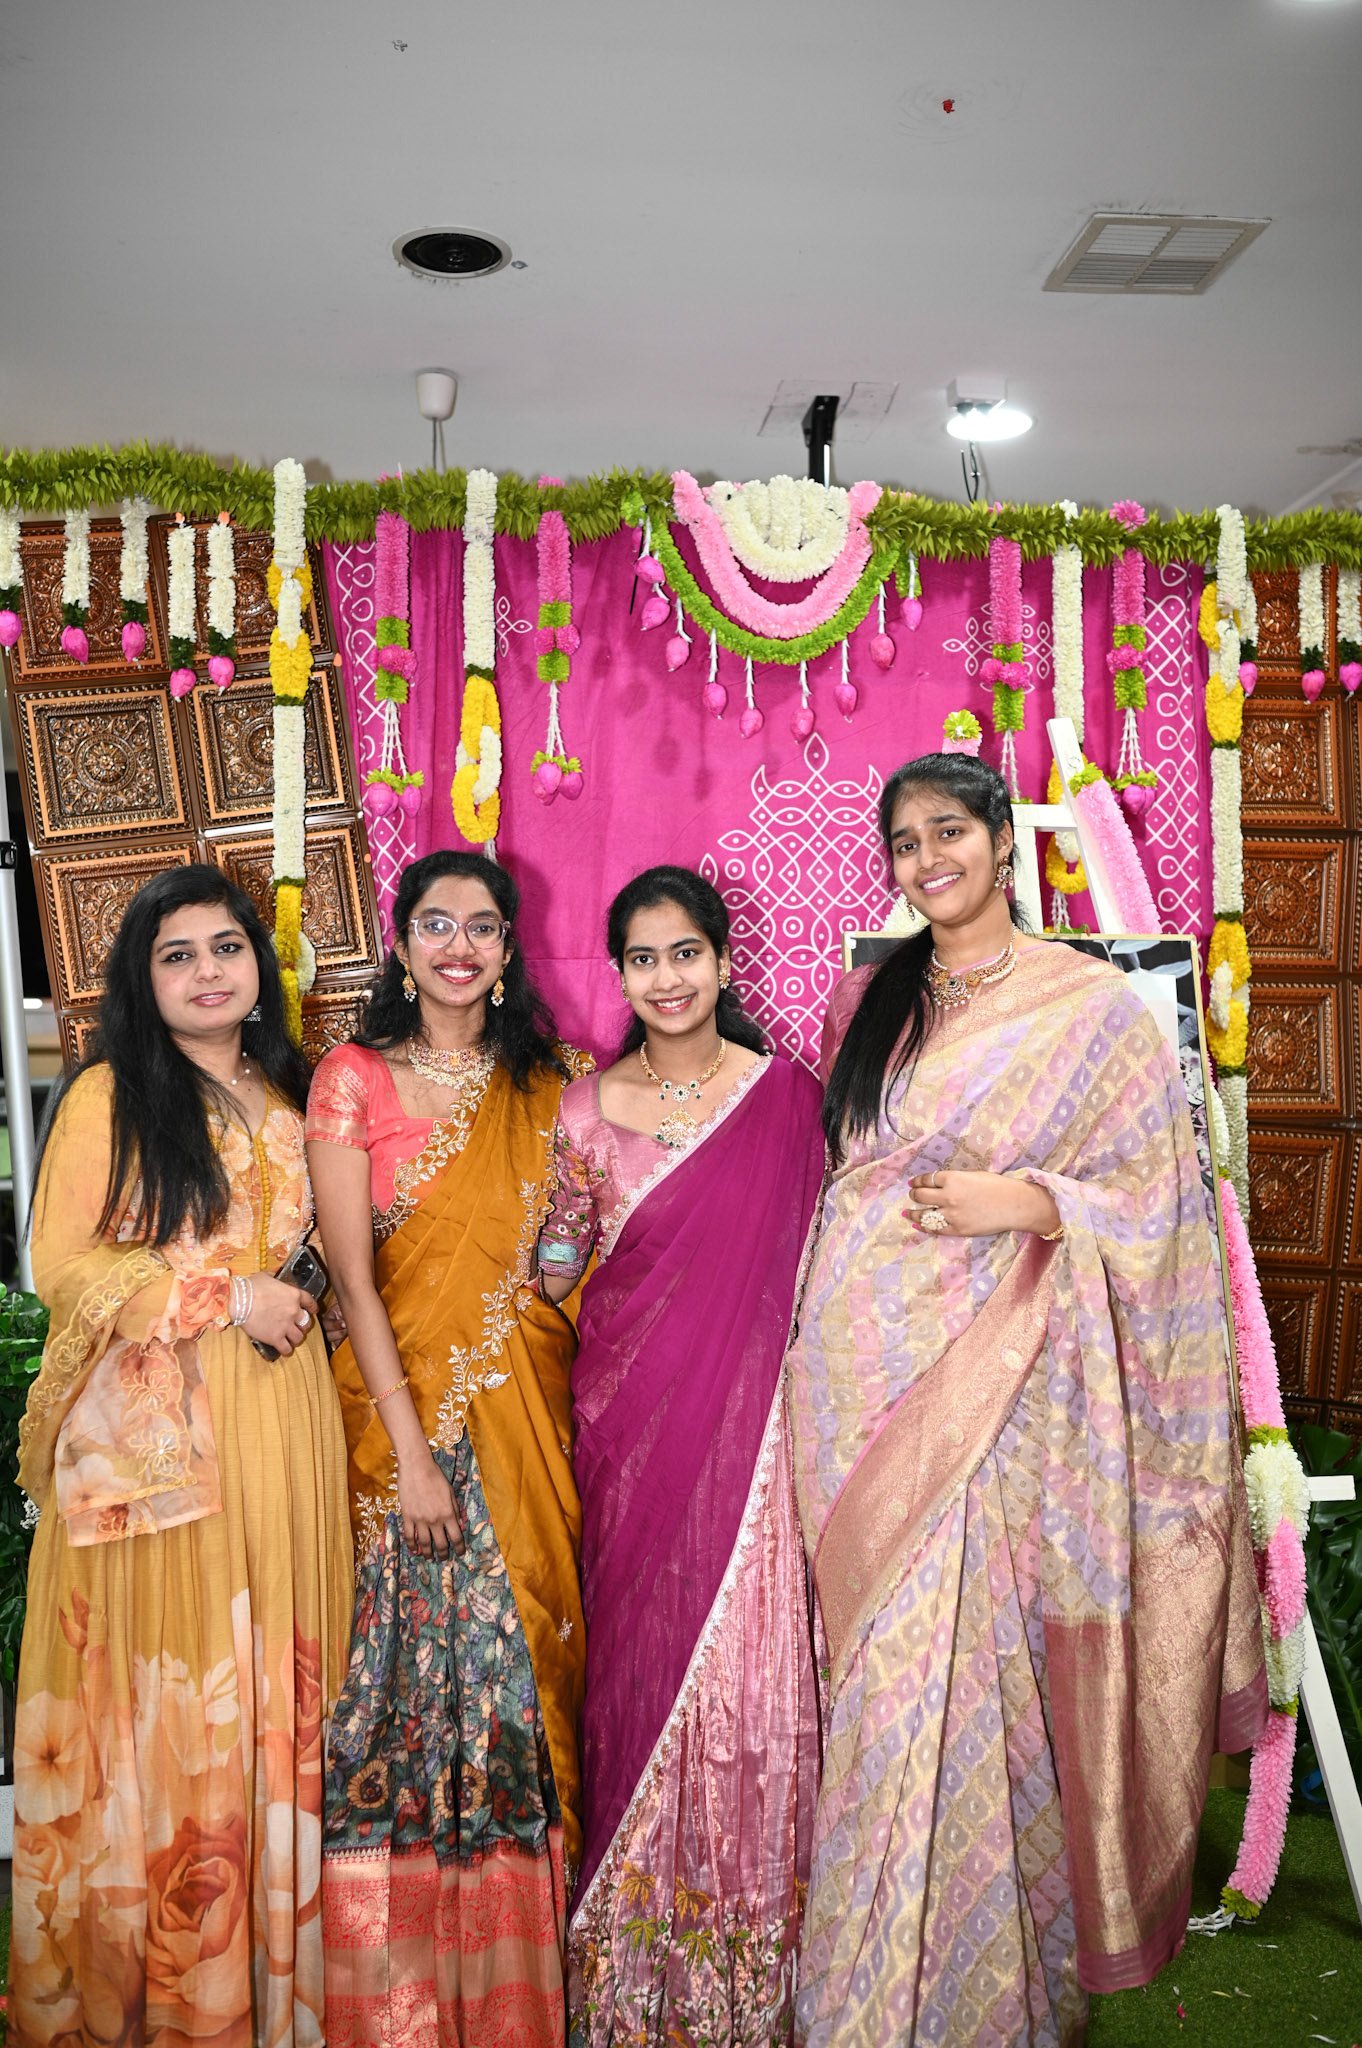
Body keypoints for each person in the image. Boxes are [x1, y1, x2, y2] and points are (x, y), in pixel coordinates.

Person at [787, 754, 1267, 2048]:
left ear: (1004, 841)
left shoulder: (1092, 1009)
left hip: (1006, 1383)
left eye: (948, 830)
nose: (926, 858)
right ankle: (860, 1982)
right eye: (903, 842)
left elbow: (1160, 1207)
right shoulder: (865, 1003)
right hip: (852, 1379)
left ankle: (977, 1993)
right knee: (878, 1673)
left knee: (976, 1663)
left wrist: (1034, 1201)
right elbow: (835, 1185)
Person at [10, 863, 351, 2048]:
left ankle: (272, 1997)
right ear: (141, 980)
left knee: (273, 1687)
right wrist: (227, 1294)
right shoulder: (111, 1093)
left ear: (260, 964)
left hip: (285, 1414)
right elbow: (64, 1266)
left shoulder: (294, 1088)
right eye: (177, 953)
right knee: (172, 1698)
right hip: (159, 1438)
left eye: (226, 947)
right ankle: (165, 2007)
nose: (208, 970)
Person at [307, 849, 593, 2048]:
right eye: (437, 923)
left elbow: (576, 1252)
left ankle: (517, 1999)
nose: (459, 946)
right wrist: (415, 1452)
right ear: (402, 942)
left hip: (524, 1424)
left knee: (513, 1694)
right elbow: (352, 1281)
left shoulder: (558, 1083)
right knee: (390, 1699)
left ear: (510, 946)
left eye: (482, 926)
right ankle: (393, 2006)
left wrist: (565, 1258)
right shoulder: (353, 1078)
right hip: (395, 1438)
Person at [538, 866, 827, 2048]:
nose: (667, 978)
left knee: (758, 1677)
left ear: (722, 960)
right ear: (620, 973)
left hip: (758, 1437)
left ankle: (756, 1974)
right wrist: (551, 1240)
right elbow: (561, 1271)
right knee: (637, 1666)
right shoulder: (582, 1109)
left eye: (686, 953)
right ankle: (631, 1969)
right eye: (644, 958)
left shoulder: (789, 1098)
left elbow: (824, 1261)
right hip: (627, 1432)